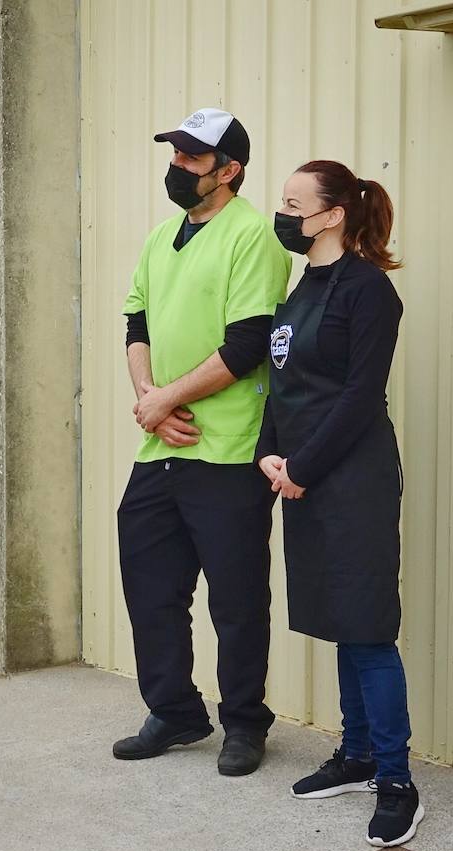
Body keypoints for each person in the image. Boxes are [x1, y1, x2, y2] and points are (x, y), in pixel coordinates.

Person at [112, 108, 291, 777]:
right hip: (162, 446)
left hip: (228, 451)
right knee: (151, 588)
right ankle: (176, 710)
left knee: (237, 599)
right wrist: (150, 403)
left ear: (228, 170)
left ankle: (245, 722)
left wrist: (168, 398)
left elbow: (247, 346)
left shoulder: (254, 238)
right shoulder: (162, 237)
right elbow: (136, 322)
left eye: (192, 158)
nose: (178, 167)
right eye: (176, 155)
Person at [256, 160, 422, 847]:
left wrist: (303, 465)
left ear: (331, 215)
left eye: (294, 203)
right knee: (340, 619)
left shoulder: (369, 291)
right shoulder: (303, 289)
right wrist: (271, 453)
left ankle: (396, 781)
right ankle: (356, 754)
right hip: (303, 476)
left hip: (350, 478)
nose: (284, 213)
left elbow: (359, 396)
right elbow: (284, 382)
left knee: (369, 628)